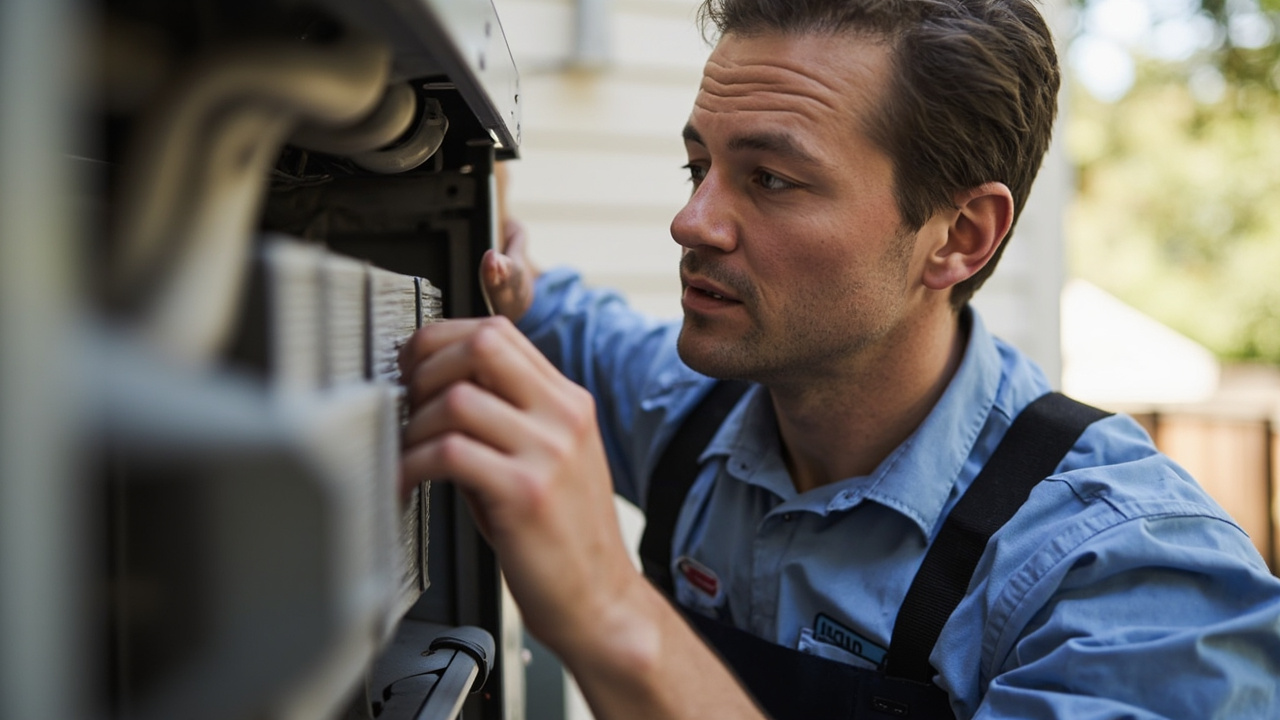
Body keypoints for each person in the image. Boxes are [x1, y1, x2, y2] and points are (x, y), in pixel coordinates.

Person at [398, 0, 1280, 717]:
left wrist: (607, 609)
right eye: (695, 165)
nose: (692, 221)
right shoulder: (688, 409)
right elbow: (547, 303)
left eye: (771, 179)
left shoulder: (1124, 580)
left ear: (959, 237)